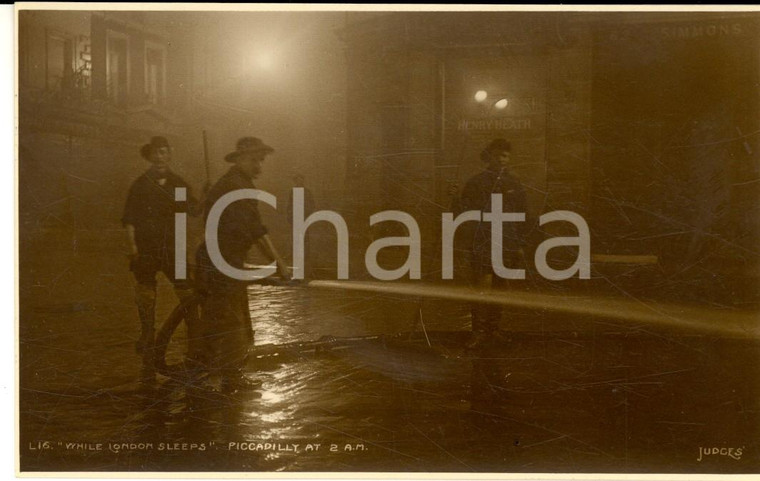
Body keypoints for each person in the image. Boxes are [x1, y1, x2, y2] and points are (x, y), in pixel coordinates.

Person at [195, 136, 290, 394]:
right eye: (253, 160)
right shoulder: (236, 187)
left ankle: (217, 376)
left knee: (227, 320)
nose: (259, 166)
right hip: (221, 265)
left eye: (261, 160)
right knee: (228, 322)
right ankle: (216, 380)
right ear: (238, 159)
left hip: (224, 262)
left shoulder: (234, 183)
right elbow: (256, 231)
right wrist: (279, 265)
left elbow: (241, 233)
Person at [122, 136, 200, 385]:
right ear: (149, 157)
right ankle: (147, 333)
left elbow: (194, 210)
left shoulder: (178, 185)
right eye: (155, 153)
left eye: (164, 152)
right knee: (146, 292)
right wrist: (133, 248)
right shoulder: (141, 185)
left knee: (186, 291)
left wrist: (206, 196)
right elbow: (130, 220)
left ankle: (195, 333)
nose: (159, 158)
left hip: (172, 247)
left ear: (169, 155)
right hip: (146, 248)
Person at [460, 138, 528, 349]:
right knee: (482, 288)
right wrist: (454, 198)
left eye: (505, 156)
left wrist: (519, 244)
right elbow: (463, 212)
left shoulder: (514, 184)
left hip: (506, 241)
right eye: (497, 155)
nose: (501, 159)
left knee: (500, 288)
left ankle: (493, 329)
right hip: (482, 240)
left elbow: (523, 214)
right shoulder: (476, 182)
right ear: (489, 156)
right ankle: (478, 332)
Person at [287, 173, 316, 278]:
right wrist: (290, 217)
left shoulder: (307, 192)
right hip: (296, 219)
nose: (299, 181)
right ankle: (297, 265)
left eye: (301, 179)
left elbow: (312, 205)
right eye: (297, 180)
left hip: (304, 218)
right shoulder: (292, 192)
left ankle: (306, 266)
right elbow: (290, 206)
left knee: (305, 241)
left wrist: (307, 214)